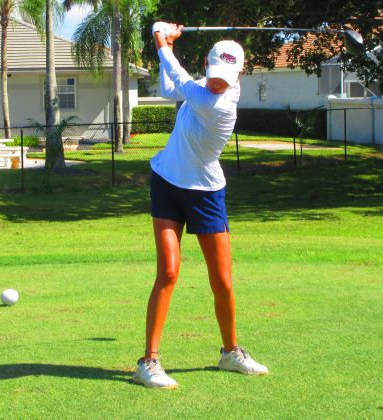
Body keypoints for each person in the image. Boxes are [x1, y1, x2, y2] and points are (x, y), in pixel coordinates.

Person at [132, 22, 269, 390]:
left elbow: (177, 74)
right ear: (208, 65)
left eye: (226, 79)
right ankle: (148, 361)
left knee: (222, 279)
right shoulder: (200, 89)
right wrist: (168, 43)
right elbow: (169, 87)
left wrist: (161, 39)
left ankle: (230, 352)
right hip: (167, 182)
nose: (218, 83)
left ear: (238, 75)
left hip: (206, 193)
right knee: (169, 271)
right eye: (214, 75)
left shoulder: (219, 104)